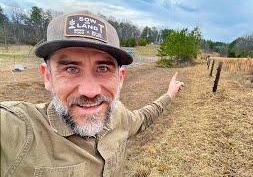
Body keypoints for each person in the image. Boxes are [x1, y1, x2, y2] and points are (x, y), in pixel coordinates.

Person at [0, 10, 184, 177]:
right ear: (48, 77)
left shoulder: (119, 115)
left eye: (103, 68)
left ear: (120, 79)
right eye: (71, 69)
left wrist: (170, 93)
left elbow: (143, 118)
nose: (90, 91)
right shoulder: (17, 130)